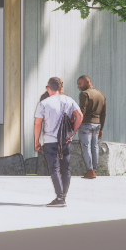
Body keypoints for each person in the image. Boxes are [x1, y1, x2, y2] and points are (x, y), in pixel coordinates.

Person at [32, 76, 84, 207]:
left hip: (50, 141)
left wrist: (36, 141)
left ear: (48, 88)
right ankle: (63, 196)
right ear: (60, 87)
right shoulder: (69, 100)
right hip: (65, 140)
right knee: (66, 168)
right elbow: (80, 116)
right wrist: (73, 132)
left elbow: (37, 124)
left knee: (54, 169)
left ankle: (60, 198)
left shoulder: (43, 103)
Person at [75, 73, 110, 180]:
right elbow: (103, 114)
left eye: (80, 83)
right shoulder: (101, 95)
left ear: (87, 82)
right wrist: (101, 128)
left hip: (86, 124)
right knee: (94, 147)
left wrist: (76, 124)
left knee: (86, 147)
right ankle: (94, 170)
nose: (79, 86)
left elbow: (82, 111)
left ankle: (90, 170)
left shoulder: (85, 94)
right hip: (97, 124)